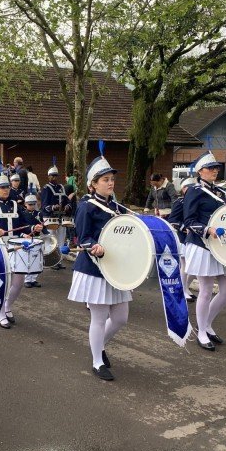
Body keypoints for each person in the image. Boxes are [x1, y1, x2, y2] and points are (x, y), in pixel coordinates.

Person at [67, 152, 130, 381]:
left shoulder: (116, 206)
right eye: (105, 180)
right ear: (93, 184)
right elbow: (82, 238)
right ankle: (97, 361)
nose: (110, 183)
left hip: (115, 270)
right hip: (94, 269)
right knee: (99, 317)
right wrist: (95, 246)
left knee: (121, 317)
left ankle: (99, 344)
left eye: (112, 179)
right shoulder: (87, 206)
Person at [183, 152, 226, 351]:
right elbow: (188, 221)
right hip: (202, 245)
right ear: (200, 171)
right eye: (210, 168)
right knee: (205, 291)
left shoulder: (220, 192)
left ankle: (206, 324)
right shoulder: (194, 191)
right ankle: (203, 332)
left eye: (216, 168)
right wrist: (208, 230)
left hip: (221, 247)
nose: (215, 171)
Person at [0, 174, 44, 329]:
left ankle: (7, 306)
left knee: (19, 282)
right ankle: (0, 313)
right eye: (2, 187)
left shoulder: (15, 205)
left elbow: (23, 224)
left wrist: (32, 229)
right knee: (3, 283)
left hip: (17, 248)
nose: (5, 190)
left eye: (7, 187)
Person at [167, 177, 198, 302]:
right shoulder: (180, 202)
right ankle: (181, 290)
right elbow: (172, 221)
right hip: (182, 237)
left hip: (194, 237)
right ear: (184, 189)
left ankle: (185, 287)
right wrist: (183, 227)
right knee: (185, 265)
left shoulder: (194, 201)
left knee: (194, 267)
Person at [41, 162, 71, 270]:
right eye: (52, 175)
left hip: (60, 217)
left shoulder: (61, 187)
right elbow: (44, 205)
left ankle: (59, 260)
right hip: (50, 217)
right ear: (48, 176)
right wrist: (53, 207)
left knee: (61, 239)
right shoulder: (46, 188)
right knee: (51, 239)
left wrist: (67, 206)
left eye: (55, 175)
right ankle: (51, 262)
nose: (54, 177)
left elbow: (67, 200)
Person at [23, 194, 44, 289]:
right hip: (27, 238)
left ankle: (34, 279)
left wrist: (44, 231)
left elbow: (43, 226)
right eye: (29, 204)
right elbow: (22, 227)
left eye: (33, 204)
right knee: (28, 259)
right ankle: (27, 279)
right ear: (25, 204)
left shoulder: (39, 214)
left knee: (37, 259)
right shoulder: (22, 214)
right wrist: (24, 235)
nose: (31, 206)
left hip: (37, 238)